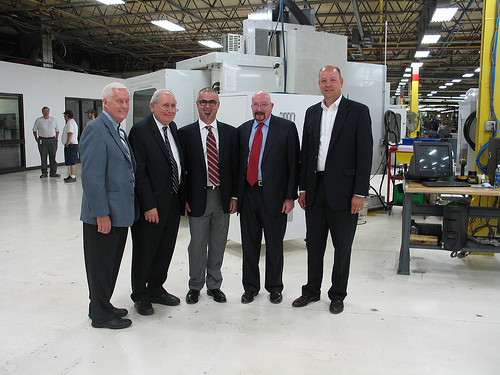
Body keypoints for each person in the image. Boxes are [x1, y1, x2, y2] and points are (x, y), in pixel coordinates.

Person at [292, 65, 373, 314]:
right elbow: (307, 153)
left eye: (332, 80)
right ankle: (311, 291)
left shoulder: (358, 111)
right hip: (315, 190)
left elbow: (365, 154)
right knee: (314, 245)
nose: (328, 84)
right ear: (319, 83)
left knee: (342, 247)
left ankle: (337, 294)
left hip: (345, 193)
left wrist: (360, 193)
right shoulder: (312, 112)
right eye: (323, 80)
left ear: (341, 81)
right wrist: (303, 188)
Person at [80, 82, 136, 329]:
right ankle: (100, 315)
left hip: (119, 213)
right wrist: (101, 214)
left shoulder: (117, 130)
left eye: (126, 101)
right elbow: (91, 178)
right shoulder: (96, 129)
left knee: (110, 264)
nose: (124, 106)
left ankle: (103, 303)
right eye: (118, 101)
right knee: (100, 266)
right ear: (105, 103)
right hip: (104, 217)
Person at [237, 91, 300, 304]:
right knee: (249, 244)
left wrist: (290, 197)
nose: (259, 109)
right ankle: (250, 287)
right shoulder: (243, 130)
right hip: (249, 194)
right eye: (255, 105)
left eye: (264, 104)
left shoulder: (286, 129)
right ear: (251, 107)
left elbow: (294, 165)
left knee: (274, 244)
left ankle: (274, 287)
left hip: (275, 196)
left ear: (271, 106)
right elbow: (239, 166)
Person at [178, 88, 238, 304]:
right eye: (203, 102)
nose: (207, 106)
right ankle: (195, 286)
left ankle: (214, 285)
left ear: (218, 105)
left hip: (222, 197)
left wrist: (235, 196)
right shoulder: (185, 134)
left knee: (218, 243)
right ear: (197, 104)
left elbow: (235, 168)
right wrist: (182, 199)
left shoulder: (231, 133)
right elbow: (181, 169)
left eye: (212, 102)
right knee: (197, 245)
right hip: (197, 199)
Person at [128, 89, 184, 316]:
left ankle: (156, 288)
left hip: (172, 201)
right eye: (165, 106)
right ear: (152, 107)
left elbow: (177, 164)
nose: (170, 110)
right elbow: (138, 172)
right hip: (151, 206)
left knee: (165, 249)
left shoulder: (173, 128)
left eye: (173, 106)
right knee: (145, 250)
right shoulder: (140, 131)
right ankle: (140, 295)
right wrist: (149, 205)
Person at [33, 106, 60, 178]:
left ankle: (53, 172)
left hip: (52, 140)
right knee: (43, 157)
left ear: (49, 112)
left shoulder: (53, 120)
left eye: (47, 111)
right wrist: (37, 139)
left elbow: (57, 130)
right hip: (43, 140)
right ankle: (44, 173)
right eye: (44, 111)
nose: (46, 113)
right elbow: (34, 130)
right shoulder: (39, 120)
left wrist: (56, 139)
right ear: (42, 112)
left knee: (52, 157)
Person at [61, 110, 79, 183]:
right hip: (72, 144)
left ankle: (73, 175)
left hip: (71, 144)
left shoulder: (70, 123)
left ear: (66, 115)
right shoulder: (71, 122)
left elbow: (70, 133)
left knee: (72, 160)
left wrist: (67, 142)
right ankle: (71, 174)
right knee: (70, 160)